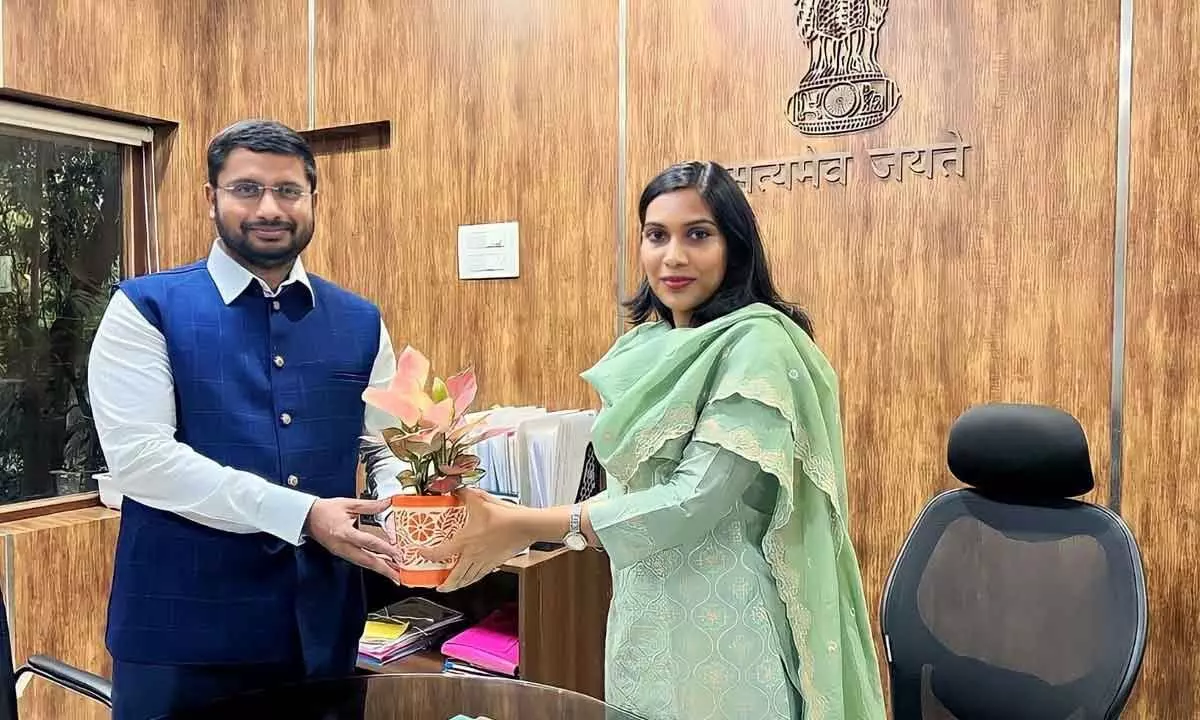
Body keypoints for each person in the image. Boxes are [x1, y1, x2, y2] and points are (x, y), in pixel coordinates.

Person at [416, 161, 887, 720]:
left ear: (735, 246)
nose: (674, 256)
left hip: (728, 627)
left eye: (698, 235)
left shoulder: (758, 344)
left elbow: (696, 499)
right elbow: (632, 490)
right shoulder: (643, 347)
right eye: (656, 235)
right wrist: (510, 514)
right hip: (642, 611)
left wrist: (529, 525)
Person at [88, 119, 407, 719]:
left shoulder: (361, 320)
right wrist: (305, 515)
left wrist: (406, 511)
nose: (269, 207)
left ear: (314, 198)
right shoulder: (145, 307)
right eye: (246, 189)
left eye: (288, 190)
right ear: (211, 199)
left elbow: (383, 445)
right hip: (180, 639)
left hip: (320, 633)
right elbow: (143, 463)